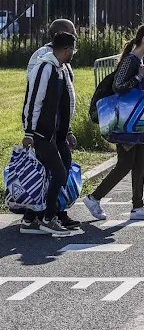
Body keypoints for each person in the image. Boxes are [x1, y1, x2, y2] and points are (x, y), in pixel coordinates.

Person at [83, 23, 144, 221]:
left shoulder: (136, 61)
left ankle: (137, 207)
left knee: (140, 158)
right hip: (124, 121)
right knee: (126, 163)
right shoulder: (130, 61)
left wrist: (141, 78)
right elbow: (119, 87)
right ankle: (94, 198)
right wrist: (139, 77)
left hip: (131, 121)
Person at [21, 18, 79, 232]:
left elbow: (64, 99)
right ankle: (48, 215)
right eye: (73, 37)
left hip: (58, 129)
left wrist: (68, 128)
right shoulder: (45, 63)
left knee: (55, 169)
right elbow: (35, 98)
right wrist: (29, 131)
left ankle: (39, 215)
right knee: (57, 171)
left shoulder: (60, 65)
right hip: (44, 130)